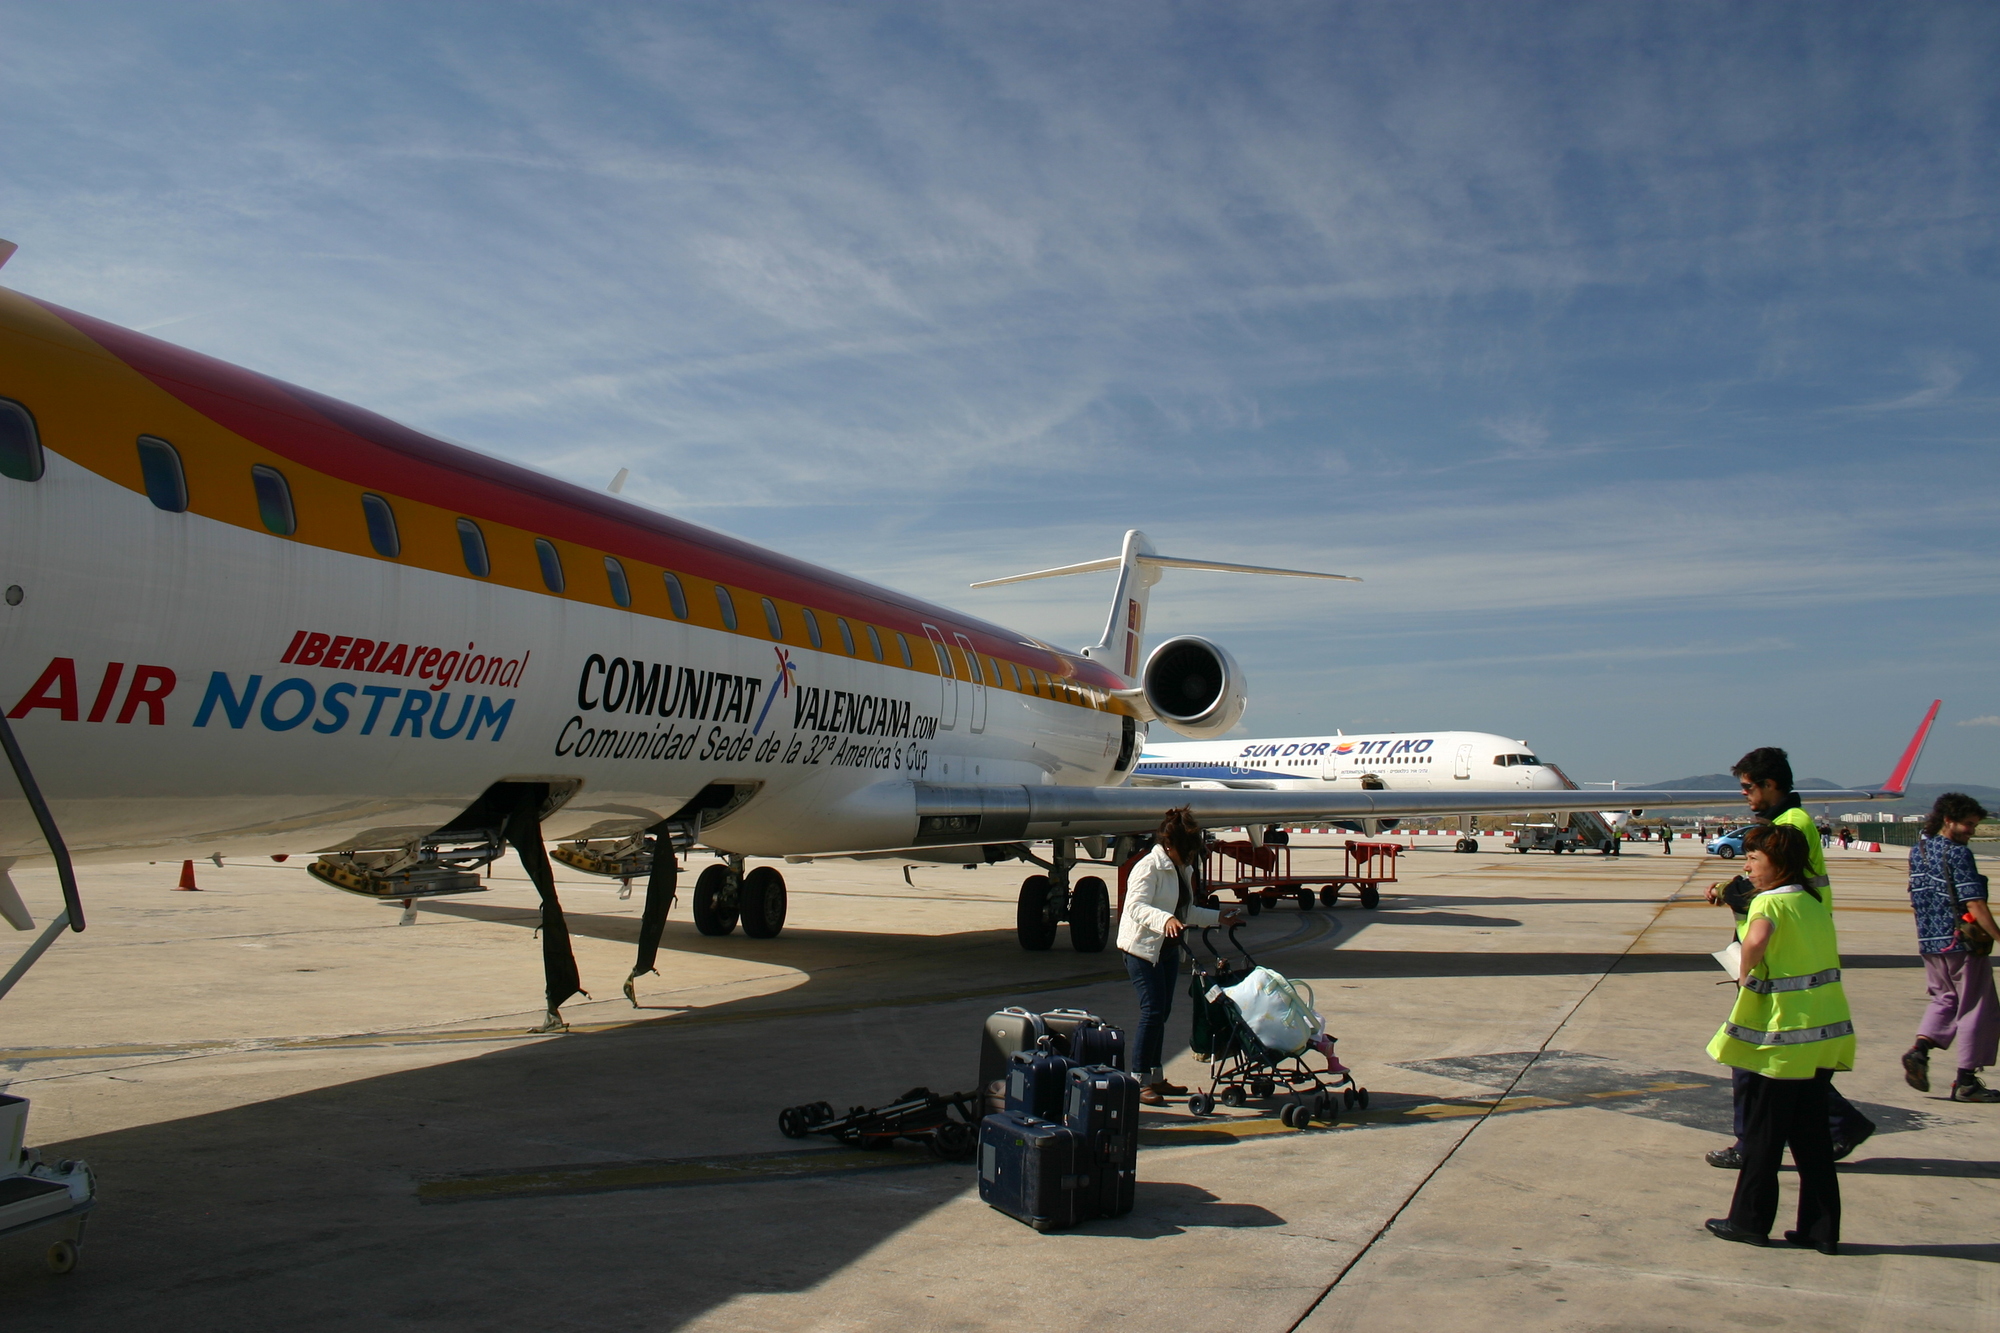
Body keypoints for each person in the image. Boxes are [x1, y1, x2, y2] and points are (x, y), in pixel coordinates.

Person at [1702, 746, 1873, 1168]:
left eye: (1747, 787)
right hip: (1790, 941)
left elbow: (1776, 883)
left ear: (1769, 785)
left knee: (1752, 1049)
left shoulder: (1791, 824)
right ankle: (1837, 1125)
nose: (1744, 795)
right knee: (1781, 1051)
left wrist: (1730, 892)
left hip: (1779, 948)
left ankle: (1754, 1143)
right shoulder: (1784, 822)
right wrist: (1732, 886)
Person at [1703, 824, 1850, 1253]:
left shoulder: (1769, 901)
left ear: (1778, 866)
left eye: (1755, 860)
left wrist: (1746, 971)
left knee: (1765, 1134)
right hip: (1825, 1033)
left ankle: (1749, 1221)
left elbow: (1758, 939)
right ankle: (1820, 1230)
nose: (1747, 866)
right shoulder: (1814, 902)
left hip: (1783, 1037)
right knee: (1812, 1138)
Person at [1119, 807, 1239, 1105]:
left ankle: (1155, 1078)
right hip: (1142, 949)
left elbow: (1185, 911)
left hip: (1169, 949)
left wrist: (1218, 917)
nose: (1190, 859)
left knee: (1164, 1012)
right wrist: (1164, 921)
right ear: (1169, 846)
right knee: (1152, 1012)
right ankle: (1137, 1080)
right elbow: (1134, 907)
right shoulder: (1148, 867)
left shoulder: (1181, 868)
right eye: (1187, 852)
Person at [1902, 793, 1999, 1102]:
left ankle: (1920, 1050)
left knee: (1944, 1000)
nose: (1971, 831)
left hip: (1929, 942)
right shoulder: (1958, 854)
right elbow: (1975, 903)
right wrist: (1997, 935)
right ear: (1948, 820)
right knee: (1976, 1006)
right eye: (1968, 825)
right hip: (1961, 941)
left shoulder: (1918, 851)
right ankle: (1966, 1080)